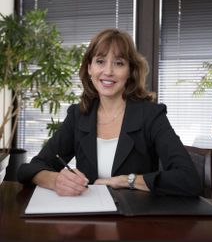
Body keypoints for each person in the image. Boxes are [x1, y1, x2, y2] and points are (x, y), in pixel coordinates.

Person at [17, 28, 202, 197]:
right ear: (89, 68)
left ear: (130, 71)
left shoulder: (150, 115)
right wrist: (56, 180)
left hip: (136, 222)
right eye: (100, 61)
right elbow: (30, 169)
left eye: (119, 63)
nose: (108, 71)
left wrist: (127, 180)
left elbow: (188, 179)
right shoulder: (78, 115)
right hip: (89, 221)